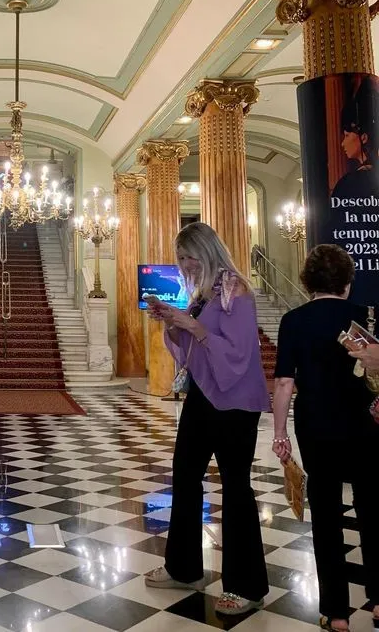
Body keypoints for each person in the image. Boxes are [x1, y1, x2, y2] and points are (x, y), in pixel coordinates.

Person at [144, 221, 270, 616]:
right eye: (180, 258)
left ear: (209, 251)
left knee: (235, 488)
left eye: (189, 256)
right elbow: (192, 350)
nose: (185, 264)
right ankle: (184, 567)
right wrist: (172, 320)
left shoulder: (236, 291)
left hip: (234, 403)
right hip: (202, 395)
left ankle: (245, 585)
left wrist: (194, 326)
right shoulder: (201, 293)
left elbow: (238, 354)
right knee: (184, 475)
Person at [272, 244, 379, 632]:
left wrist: (279, 432)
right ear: (348, 283)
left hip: (316, 425)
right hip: (365, 426)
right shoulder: (365, 315)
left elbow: (284, 382)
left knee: (327, 517)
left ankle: (336, 613)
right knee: (373, 510)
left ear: (307, 282)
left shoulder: (293, 320)